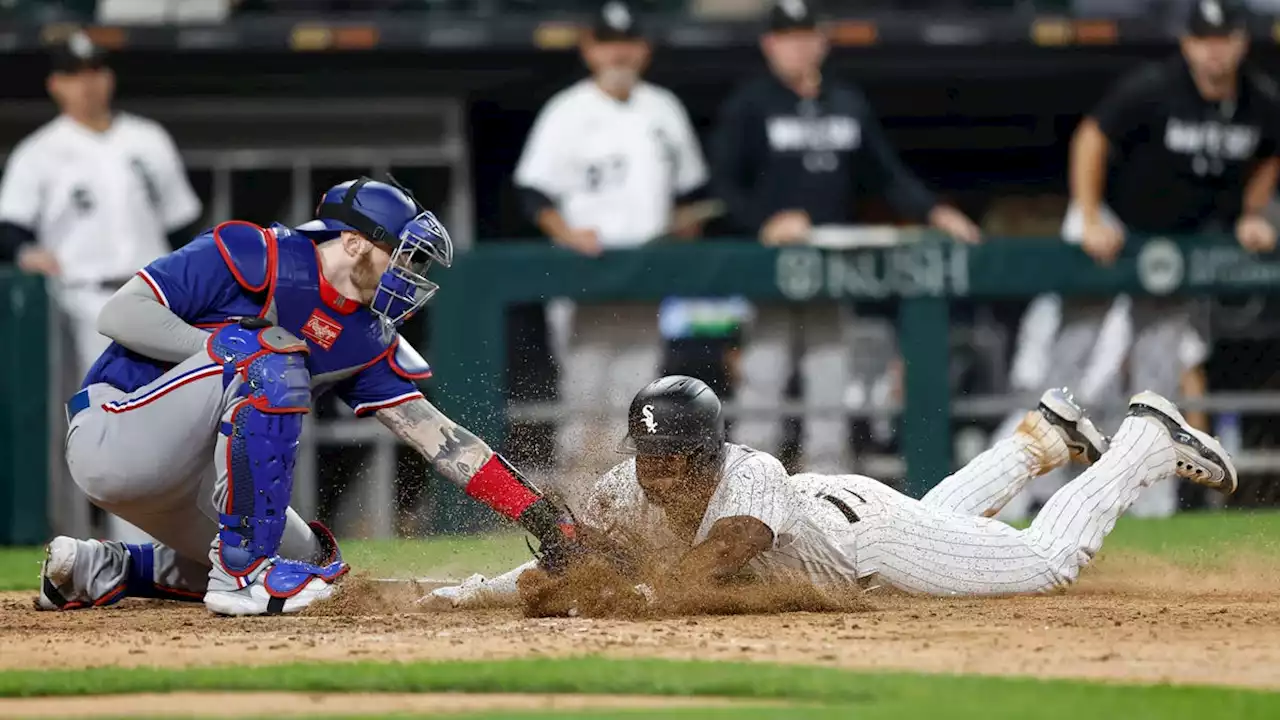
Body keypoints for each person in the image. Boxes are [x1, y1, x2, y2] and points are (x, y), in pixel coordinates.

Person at [35, 177, 577, 616]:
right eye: (403, 255)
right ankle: (244, 573)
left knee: (318, 566)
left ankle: (100, 568)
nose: (410, 273)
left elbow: (438, 438)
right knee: (270, 357)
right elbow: (119, 315)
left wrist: (541, 515)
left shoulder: (365, 333)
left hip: (189, 476)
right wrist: (225, 348)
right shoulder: (253, 251)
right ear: (353, 241)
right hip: (117, 428)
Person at [428, 375, 1235, 605]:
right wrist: (472, 593)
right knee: (948, 519)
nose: (658, 467)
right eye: (648, 451)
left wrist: (626, 588)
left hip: (865, 541)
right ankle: (1045, 441)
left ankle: (1141, 443)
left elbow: (722, 555)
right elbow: (579, 558)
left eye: (675, 452)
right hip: (839, 519)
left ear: (709, 448)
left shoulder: (749, 474)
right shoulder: (623, 485)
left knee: (1045, 561)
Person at [999, 0, 1280, 521]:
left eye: (1224, 38)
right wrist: (1088, 215)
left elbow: (1270, 151)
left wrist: (1252, 210)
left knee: (1158, 368)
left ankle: (1148, 498)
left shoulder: (1258, 101)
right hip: (1115, 224)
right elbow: (1092, 137)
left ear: (1242, 42)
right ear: (1187, 43)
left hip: (1171, 244)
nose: (1215, 50)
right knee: (1075, 356)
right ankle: (1041, 488)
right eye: (1204, 39)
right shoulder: (1155, 86)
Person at [709, 0, 981, 473]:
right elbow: (722, 186)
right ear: (769, 44)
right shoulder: (750, 104)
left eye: (805, 36)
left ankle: (826, 496)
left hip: (834, 268)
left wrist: (935, 211)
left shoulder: (846, 101)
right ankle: (747, 489)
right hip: (771, 269)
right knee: (763, 381)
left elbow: (885, 174)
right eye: (786, 38)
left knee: (831, 382)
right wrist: (763, 222)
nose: (797, 47)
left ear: (822, 40)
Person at [513, 1, 730, 490]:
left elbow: (690, 192)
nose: (619, 53)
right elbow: (532, 193)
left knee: (639, 401)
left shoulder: (664, 108)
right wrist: (567, 233)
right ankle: (577, 518)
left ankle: (628, 513)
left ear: (644, 50)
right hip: (585, 275)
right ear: (590, 49)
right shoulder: (567, 110)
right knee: (584, 402)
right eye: (608, 42)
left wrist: (682, 227)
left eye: (628, 43)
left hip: (645, 277)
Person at [0, 31, 203, 542]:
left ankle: (158, 538)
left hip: (154, 296)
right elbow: (11, 229)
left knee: (169, 418)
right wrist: (27, 254)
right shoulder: (40, 152)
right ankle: (84, 534)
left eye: (94, 71)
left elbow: (183, 226)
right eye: (74, 74)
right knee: (100, 419)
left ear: (108, 77)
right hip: (81, 299)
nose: (87, 83)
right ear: (56, 85)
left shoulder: (147, 139)